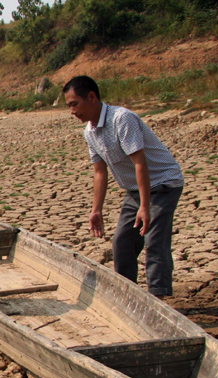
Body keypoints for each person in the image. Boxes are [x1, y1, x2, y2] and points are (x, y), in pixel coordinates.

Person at [63, 76, 184, 297]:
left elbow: (140, 163)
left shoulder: (121, 119)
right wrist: (96, 210)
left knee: (154, 240)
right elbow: (100, 172)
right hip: (136, 189)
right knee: (122, 241)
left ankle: (158, 298)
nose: (72, 111)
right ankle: (127, 296)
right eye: (69, 106)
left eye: (74, 104)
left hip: (163, 183)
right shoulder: (90, 132)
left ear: (91, 97)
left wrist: (145, 206)